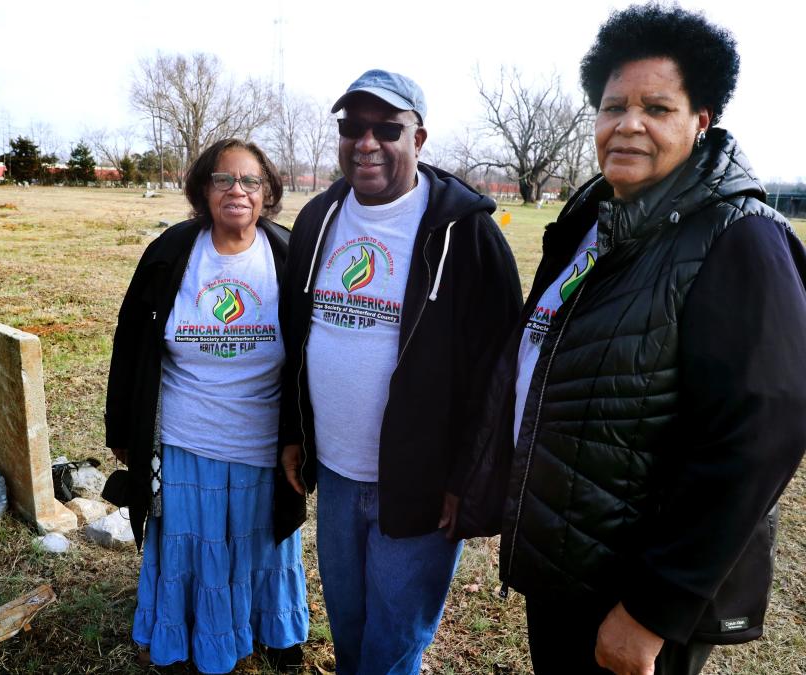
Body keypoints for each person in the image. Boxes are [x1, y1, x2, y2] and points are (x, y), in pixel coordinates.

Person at [455, 5, 806, 675]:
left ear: (702, 120)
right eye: (613, 105)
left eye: (657, 107)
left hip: (633, 600)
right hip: (565, 565)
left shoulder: (741, 237)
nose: (629, 123)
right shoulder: (593, 213)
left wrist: (652, 609)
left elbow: (759, 439)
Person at [275, 69, 522, 674]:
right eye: (352, 127)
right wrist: (293, 432)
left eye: (387, 128)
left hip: (419, 484)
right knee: (351, 629)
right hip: (333, 472)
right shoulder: (318, 220)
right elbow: (296, 334)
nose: (366, 142)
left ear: (420, 137)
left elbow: (500, 370)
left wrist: (468, 475)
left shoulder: (467, 235)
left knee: (395, 642)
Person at [105, 138, 308, 674]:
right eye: (224, 180)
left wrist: (307, 435)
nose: (237, 191)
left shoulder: (288, 256)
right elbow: (130, 342)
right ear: (203, 190)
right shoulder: (171, 253)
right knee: (191, 546)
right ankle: (191, 632)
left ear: (267, 194)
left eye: (250, 182)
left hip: (263, 440)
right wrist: (122, 426)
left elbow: (314, 351)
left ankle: (274, 629)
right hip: (184, 438)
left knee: (264, 543)